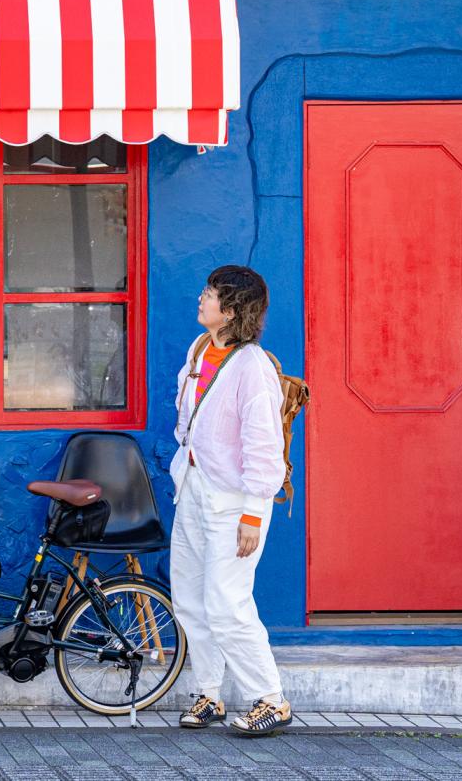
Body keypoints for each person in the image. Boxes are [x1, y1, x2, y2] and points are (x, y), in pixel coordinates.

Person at [171, 264, 293, 737]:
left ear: (232, 309)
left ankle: (270, 698)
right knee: (190, 598)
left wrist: (251, 515)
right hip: (195, 489)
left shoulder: (252, 367)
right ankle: (210, 693)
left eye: (210, 293)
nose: (201, 299)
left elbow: (264, 448)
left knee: (227, 602)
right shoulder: (201, 348)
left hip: (236, 501)